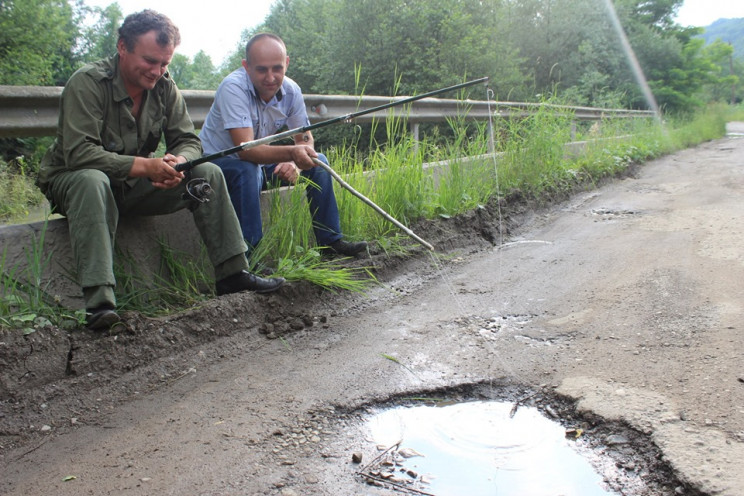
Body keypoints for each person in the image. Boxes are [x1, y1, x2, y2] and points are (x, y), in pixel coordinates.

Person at [37, 10, 285, 331]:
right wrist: (146, 166)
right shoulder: (87, 83)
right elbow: (79, 153)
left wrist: (176, 163)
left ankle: (233, 274)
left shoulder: (165, 87)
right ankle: (100, 303)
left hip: (130, 186)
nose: (157, 71)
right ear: (123, 47)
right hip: (75, 181)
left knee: (206, 173)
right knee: (92, 180)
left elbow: (188, 141)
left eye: (165, 63)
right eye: (150, 61)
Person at [199, 33, 368, 258]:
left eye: (277, 68)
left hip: (255, 164)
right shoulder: (233, 88)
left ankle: (331, 243)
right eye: (262, 69)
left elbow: (305, 140)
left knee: (318, 162)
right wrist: (291, 152)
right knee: (247, 170)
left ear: (286, 63)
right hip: (219, 167)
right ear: (246, 66)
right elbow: (246, 150)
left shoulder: (292, 90)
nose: (270, 77)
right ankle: (249, 260)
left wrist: (296, 164)